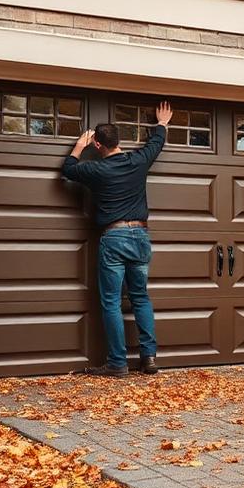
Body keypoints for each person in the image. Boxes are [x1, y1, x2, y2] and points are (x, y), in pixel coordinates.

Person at [62, 101, 173, 377]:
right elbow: (155, 144)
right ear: (118, 141)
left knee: (111, 301)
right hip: (141, 236)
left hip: (114, 237)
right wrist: (161, 124)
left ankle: (117, 363)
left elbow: (68, 168)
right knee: (140, 297)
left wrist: (79, 145)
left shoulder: (96, 170)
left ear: (98, 145)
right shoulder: (138, 161)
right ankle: (149, 358)